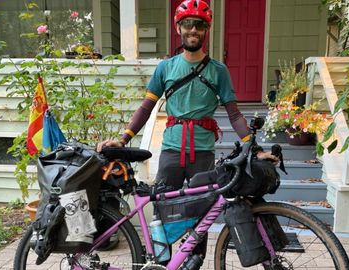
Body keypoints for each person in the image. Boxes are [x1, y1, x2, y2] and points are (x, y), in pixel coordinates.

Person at [98, 0, 278, 267]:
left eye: (199, 25)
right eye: (188, 24)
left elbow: (234, 114)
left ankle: (193, 260)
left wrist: (253, 147)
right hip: (171, 148)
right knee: (161, 208)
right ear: (179, 28)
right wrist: (123, 139)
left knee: (202, 210)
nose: (193, 30)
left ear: (206, 30)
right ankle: (161, 260)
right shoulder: (165, 68)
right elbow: (147, 107)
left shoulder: (218, 70)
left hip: (202, 152)